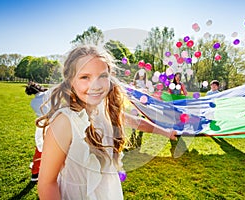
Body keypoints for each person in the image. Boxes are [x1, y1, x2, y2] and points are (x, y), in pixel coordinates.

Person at [37, 45, 177, 199]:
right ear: (71, 80)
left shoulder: (105, 110)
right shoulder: (65, 122)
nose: (95, 86)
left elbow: (138, 122)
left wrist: (166, 132)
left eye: (102, 76)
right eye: (85, 77)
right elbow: (47, 183)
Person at [25, 81, 50, 182]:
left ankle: (35, 173)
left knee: (39, 149)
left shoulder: (33, 102)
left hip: (41, 126)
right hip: (53, 124)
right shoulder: (47, 94)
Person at [168, 72, 188, 156]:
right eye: (177, 76)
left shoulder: (181, 84)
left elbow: (185, 93)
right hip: (173, 102)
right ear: (174, 77)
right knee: (173, 116)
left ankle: (179, 131)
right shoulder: (171, 84)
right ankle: (173, 130)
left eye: (179, 77)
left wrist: (183, 97)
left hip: (179, 103)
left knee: (180, 116)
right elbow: (168, 93)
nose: (178, 78)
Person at [130, 69, 148, 149]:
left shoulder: (146, 83)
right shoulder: (135, 82)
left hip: (143, 103)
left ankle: (140, 133)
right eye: (140, 73)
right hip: (136, 102)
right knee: (134, 116)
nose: (142, 75)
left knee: (142, 117)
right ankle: (133, 132)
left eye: (143, 74)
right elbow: (132, 90)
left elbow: (147, 92)